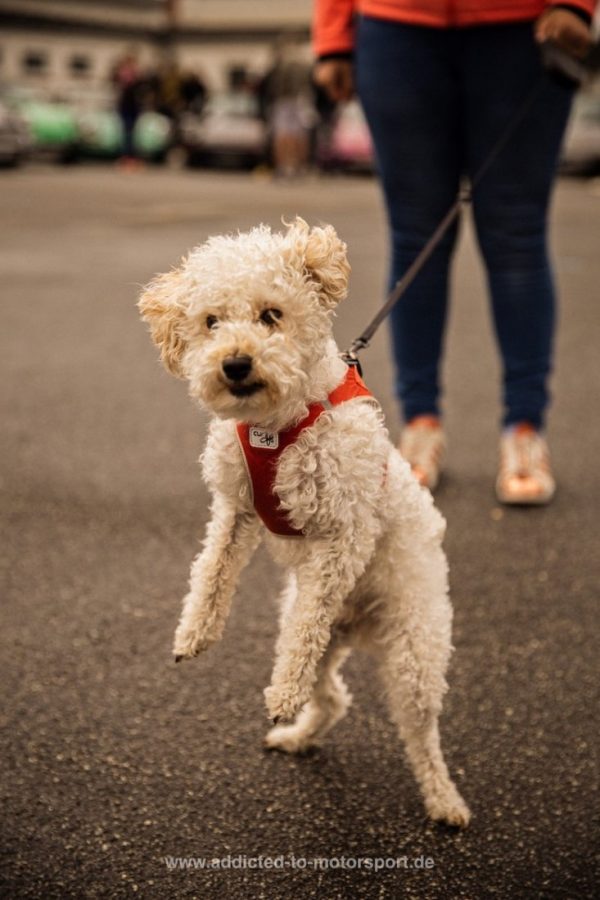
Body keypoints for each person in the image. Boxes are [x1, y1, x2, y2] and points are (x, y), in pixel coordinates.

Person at [313, 1, 594, 504]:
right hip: (396, 27)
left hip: (521, 27)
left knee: (517, 235)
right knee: (415, 236)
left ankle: (525, 430)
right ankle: (420, 425)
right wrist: (333, 35)